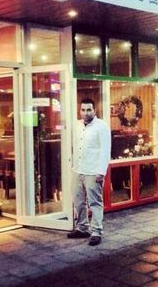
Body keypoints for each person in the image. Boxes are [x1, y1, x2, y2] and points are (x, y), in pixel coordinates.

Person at [68, 98, 111, 246]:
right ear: (80, 111)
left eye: (88, 110)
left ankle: (96, 232)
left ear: (94, 110)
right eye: (83, 110)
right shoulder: (77, 125)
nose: (85, 113)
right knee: (78, 201)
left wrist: (101, 172)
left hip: (93, 171)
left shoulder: (102, 127)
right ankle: (82, 228)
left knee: (94, 202)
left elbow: (105, 151)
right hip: (77, 169)